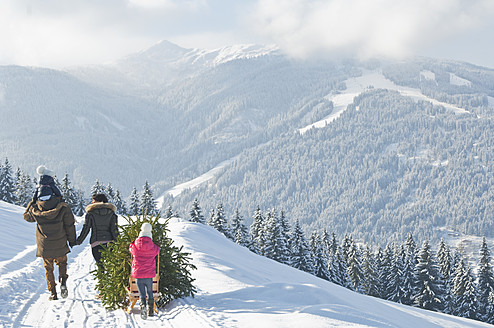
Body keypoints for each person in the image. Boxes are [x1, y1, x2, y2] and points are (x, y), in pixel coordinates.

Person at [24, 166, 76, 301]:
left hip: (45, 245)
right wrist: (72, 240)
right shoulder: (62, 206)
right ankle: (63, 282)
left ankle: (53, 292)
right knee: (62, 263)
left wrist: (32, 202)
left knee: (48, 268)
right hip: (60, 242)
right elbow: (69, 225)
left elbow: (27, 217)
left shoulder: (36, 208)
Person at [75, 193, 118, 267]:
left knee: (100, 266)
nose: (92, 202)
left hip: (96, 243)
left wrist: (79, 241)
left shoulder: (90, 214)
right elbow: (114, 230)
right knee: (111, 267)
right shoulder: (112, 213)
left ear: (98, 201)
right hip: (110, 243)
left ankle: (102, 278)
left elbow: (86, 228)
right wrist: (119, 242)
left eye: (93, 201)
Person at [129, 223, 160, 319]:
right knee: (150, 292)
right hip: (149, 275)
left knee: (142, 293)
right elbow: (157, 249)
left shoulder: (135, 246)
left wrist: (132, 244)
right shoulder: (153, 247)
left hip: (138, 274)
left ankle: (143, 310)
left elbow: (131, 248)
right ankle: (150, 311)